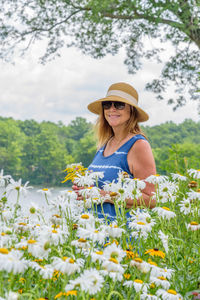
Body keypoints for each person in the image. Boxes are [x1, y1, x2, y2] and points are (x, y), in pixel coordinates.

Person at [73, 82, 156, 220]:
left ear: (132, 111)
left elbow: (151, 199)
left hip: (122, 236)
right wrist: (85, 189)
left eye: (119, 105)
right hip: (95, 235)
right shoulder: (104, 145)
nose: (112, 109)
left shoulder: (138, 145)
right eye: (107, 104)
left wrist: (104, 195)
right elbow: (99, 191)